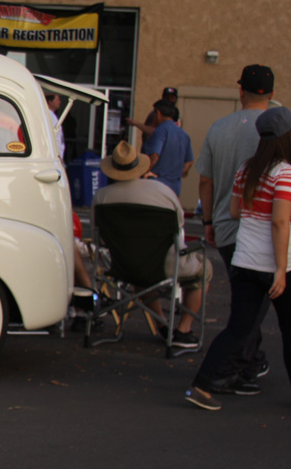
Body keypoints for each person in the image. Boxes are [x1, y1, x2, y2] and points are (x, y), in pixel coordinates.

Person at [185, 107, 291, 410]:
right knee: (289, 329)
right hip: (274, 265)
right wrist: (281, 269)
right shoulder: (285, 172)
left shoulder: (246, 169)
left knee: (238, 328)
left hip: (244, 260)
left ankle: (200, 386)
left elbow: (234, 211)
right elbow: (280, 222)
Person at [195, 63, 274, 384]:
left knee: (248, 302)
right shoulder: (279, 128)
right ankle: (242, 365)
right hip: (269, 229)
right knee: (256, 305)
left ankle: (248, 360)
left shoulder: (219, 128)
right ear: (271, 92)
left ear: (240, 90)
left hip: (229, 226)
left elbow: (206, 181)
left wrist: (210, 220)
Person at [94, 140, 209, 348]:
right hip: (161, 263)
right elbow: (178, 225)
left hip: (123, 265)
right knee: (204, 269)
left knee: (141, 271)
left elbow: (98, 234)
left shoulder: (102, 197)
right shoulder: (161, 191)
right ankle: (183, 328)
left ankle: (162, 324)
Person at [141, 98, 193, 197]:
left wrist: (145, 172)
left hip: (157, 185)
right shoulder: (183, 134)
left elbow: (155, 156)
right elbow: (189, 162)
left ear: (158, 113)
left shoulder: (160, 131)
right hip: (175, 187)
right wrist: (175, 175)